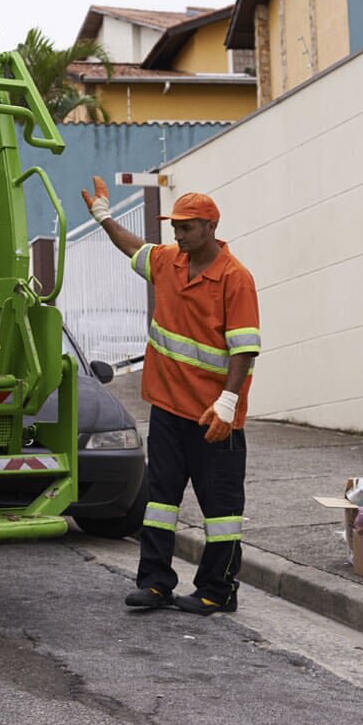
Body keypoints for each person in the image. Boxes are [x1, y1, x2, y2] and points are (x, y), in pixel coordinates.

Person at [82, 177, 260, 615]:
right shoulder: (168, 262)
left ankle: (217, 591)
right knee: (160, 501)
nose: (177, 234)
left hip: (213, 416)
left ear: (211, 227)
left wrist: (228, 402)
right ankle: (156, 583)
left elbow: (245, 348)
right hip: (168, 409)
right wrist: (104, 217)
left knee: (221, 510)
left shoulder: (235, 279)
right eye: (175, 226)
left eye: (186, 227)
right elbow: (132, 246)